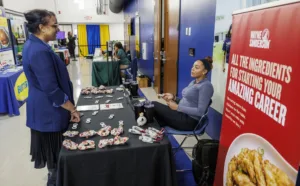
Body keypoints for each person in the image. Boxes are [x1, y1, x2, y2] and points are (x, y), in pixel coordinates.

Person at [23, 9, 80, 186]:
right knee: (56, 165)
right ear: (41, 27)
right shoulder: (38, 51)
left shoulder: (37, 45)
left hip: (48, 111)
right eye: (54, 25)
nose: (57, 29)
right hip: (49, 114)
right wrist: (72, 108)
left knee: (55, 164)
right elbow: (51, 88)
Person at [153, 57, 214, 131]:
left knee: (153, 105)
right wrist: (174, 98)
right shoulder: (194, 82)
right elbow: (188, 101)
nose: (192, 69)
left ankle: (155, 133)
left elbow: (200, 112)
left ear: (204, 71)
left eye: (196, 67)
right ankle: (156, 132)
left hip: (189, 120)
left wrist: (177, 107)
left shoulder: (206, 86)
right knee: (152, 109)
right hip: (181, 114)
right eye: (193, 66)